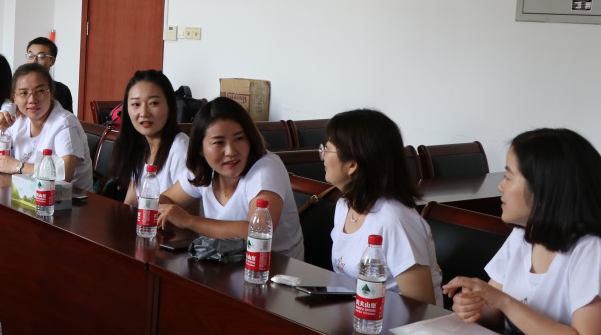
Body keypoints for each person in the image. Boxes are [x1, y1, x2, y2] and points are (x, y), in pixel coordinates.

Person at [444, 129, 601, 335]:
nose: (500, 186)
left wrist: (504, 302)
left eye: (509, 176)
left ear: (545, 188)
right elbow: (494, 305)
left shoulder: (591, 250)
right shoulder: (523, 236)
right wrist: (475, 306)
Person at [320, 109, 442, 305]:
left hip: (390, 321)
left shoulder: (395, 219)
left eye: (327, 149)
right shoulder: (344, 205)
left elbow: (422, 307)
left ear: (352, 165)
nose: (322, 156)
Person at [159, 97, 303, 259]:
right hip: (223, 262)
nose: (231, 151)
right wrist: (165, 213)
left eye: (239, 138)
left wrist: (188, 221)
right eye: (219, 143)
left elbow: (255, 232)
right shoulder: (204, 168)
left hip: (272, 268)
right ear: (200, 148)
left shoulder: (267, 169)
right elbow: (165, 200)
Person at [0, 63, 92, 189]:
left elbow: (65, 174)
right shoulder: (19, 119)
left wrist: (18, 166)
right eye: (24, 93)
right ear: (14, 98)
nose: (32, 99)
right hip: (30, 191)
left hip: (69, 197)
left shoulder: (64, 123)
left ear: (51, 93)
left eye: (40, 91)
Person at [107, 70, 190, 207]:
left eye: (153, 103)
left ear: (170, 106)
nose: (144, 113)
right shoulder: (140, 147)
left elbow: (189, 208)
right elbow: (131, 203)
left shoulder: (180, 149)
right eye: (136, 104)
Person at [25, 36, 73, 113]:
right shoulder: (16, 87)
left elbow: (68, 118)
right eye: (30, 55)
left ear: (52, 61)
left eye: (41, 56)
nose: (34, 61)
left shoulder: (62, 90)